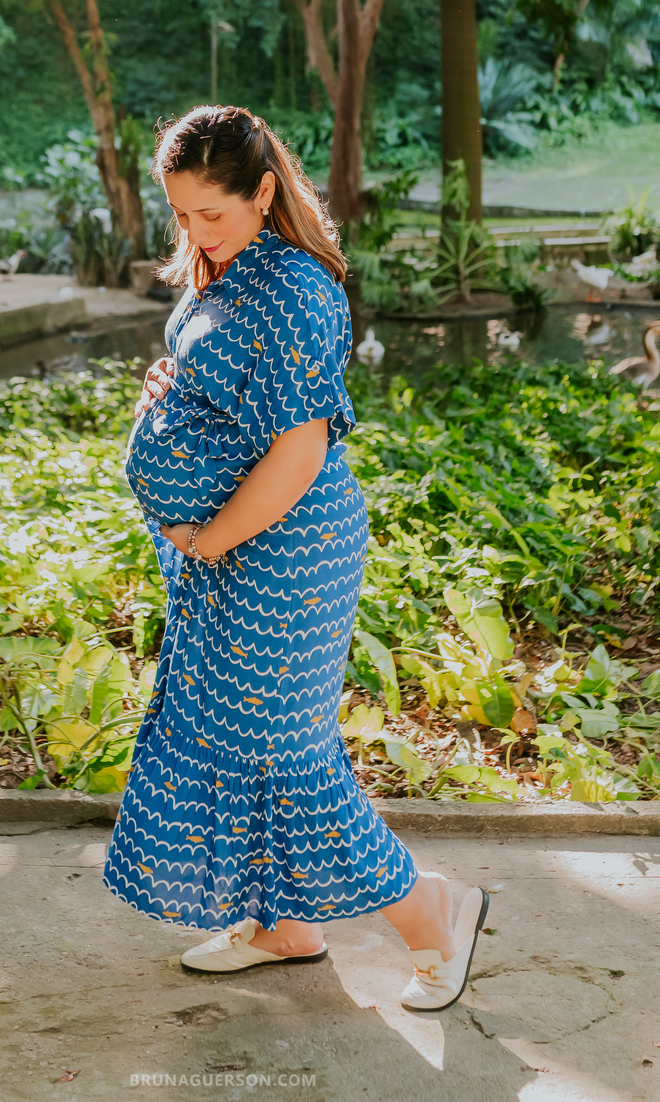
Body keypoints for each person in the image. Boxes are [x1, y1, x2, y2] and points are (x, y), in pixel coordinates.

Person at [102, 105, 488, 1009]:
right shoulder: (225, 270)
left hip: (281, 553)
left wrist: (205, 536)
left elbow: (298, 451)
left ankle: (435, 914)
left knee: (287, 756)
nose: (196, 233)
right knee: (234, 743)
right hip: (227, 552)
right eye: (183, 215)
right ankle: (284, 926)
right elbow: (225, 385)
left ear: (264, 191)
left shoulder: (294, 290)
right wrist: (169, 385)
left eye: (213, 215)